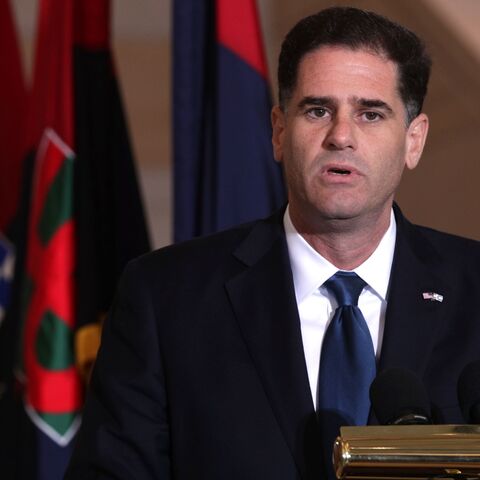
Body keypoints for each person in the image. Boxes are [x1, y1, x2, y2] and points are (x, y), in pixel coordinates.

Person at [65, 6, 480, 480]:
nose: (340, 136)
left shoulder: (474, 291)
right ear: (280, 131)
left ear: (414, 141)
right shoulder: (165, 298)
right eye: (318, 110)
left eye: (370, 113)